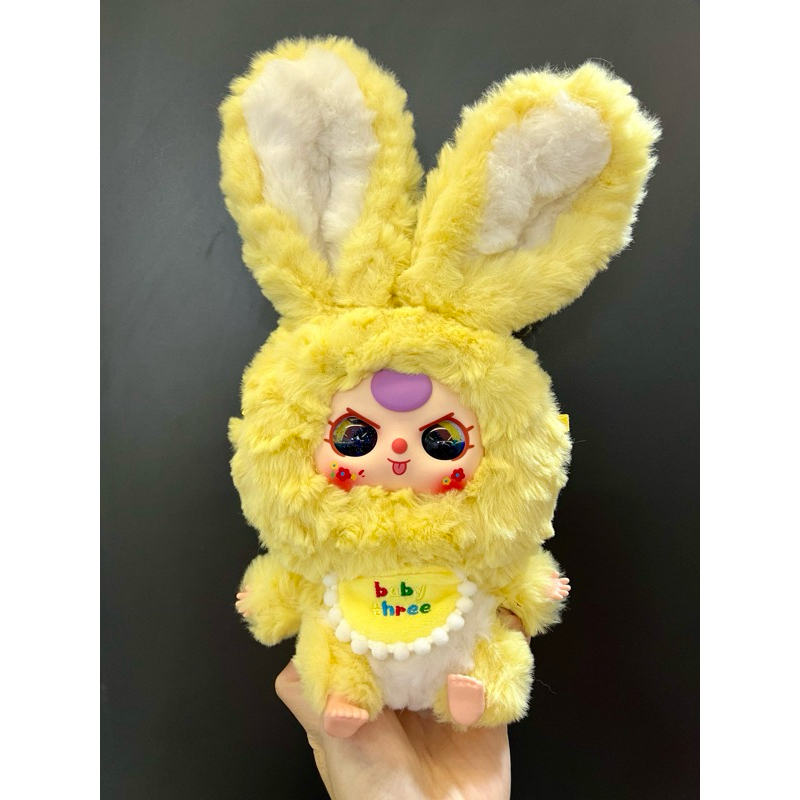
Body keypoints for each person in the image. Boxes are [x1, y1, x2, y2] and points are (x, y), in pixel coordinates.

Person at [273, 608, 527, 800]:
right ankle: (346, 697)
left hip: (423, 643)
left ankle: (470, 703)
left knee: (489, 653)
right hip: (391, 642)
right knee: (342, 660)